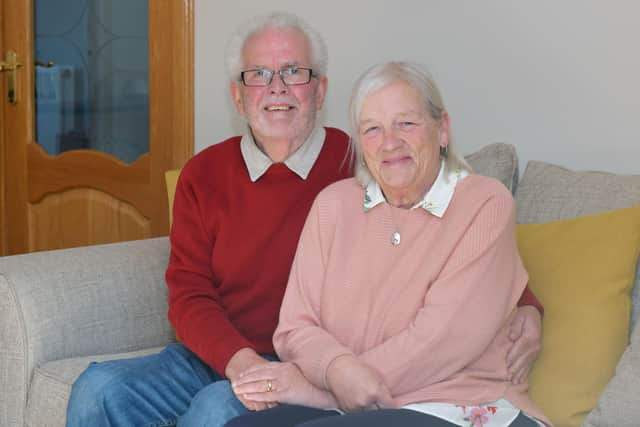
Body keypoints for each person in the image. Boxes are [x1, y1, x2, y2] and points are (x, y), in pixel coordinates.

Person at [66, 13, 543, 427]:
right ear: (238, 96)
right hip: (222, 354)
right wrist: (241, 363)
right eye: (259, 74)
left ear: (320, 90)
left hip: (309, 360)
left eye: (294, 72)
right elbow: (188, 291)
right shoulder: (203, 173)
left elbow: (454, 235)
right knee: (97, 388)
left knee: (216, 411)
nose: (277, 88)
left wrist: (525, 303)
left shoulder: (364, 159)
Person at [226, 62, 551, 427]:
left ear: (442, 129)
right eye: (373, 129)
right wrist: (337, 369)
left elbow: (440, 342)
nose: (390, 142)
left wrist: (321, 390)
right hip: (354, 405)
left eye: (406, 124)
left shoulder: (485, 203)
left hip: (458, 406)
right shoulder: (334, 205)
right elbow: (294, 328)